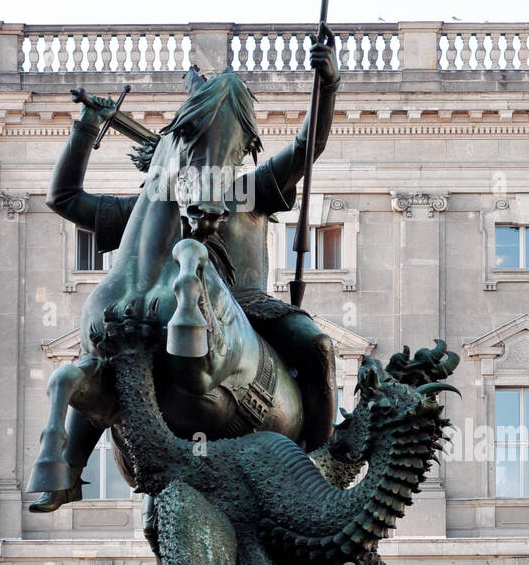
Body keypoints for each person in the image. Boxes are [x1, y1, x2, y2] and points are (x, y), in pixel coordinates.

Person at [45, 27, 341, 458]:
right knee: (105, 338)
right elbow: (65, 198)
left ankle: (322, 456)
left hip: (248, 309)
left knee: (318, 346)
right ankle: (68, 465)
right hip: (159, 314)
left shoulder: (250, 190)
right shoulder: (147, 213)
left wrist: (327, 85)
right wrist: (86, 127)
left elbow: (305, 148)